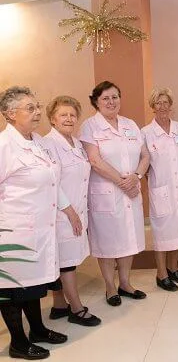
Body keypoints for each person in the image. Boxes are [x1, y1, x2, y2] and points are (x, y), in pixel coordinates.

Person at [0, 87, 68, 360]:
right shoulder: (4, 146)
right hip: (14, 230)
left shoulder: (36, 140)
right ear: (9, 114)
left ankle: (37, 329)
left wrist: (68, 209)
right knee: (12, 287)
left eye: (37, 106)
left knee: (32, 284)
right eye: (30, 108)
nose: (38, 111)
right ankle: (18, 342)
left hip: (39, 228)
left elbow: (51, 179)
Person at [80, 81, 150, 306]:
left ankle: (125, 283)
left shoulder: (130, 124)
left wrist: (136, 177)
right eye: (105, 98)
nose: (111, 102)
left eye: (115, 97)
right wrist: (123, 181)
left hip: (130, 189)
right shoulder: (90, 126)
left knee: (129, 238)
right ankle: (110, 287)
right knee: (108, 242)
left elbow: (145, 156)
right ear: (96, 102)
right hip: (107, 192)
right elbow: (94, 160)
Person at [43, 96, 101, 326]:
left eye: (72, 114)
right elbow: (52, 183)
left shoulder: (76, 143)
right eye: (63, 115)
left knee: (64, 259)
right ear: (53, 119)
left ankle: (59, 305)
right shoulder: (48, 144)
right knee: (66, 262)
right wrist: (71, 212)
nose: (69, 118)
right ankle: (76, 309)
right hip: (62, 213)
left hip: (76, 209)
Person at [141, 88, 178, 292]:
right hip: (161, 190)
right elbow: (143, 163)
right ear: (152, 107)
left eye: (165, 103)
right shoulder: (146, 133)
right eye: (158, 103)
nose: (162, 107)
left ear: (171, 106)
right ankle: (161, 274)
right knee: (163, 234)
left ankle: (173, 268)